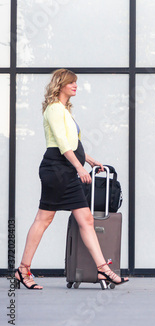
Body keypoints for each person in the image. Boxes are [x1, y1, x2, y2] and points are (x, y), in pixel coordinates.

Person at [14, 69, 129, 290]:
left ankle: (103, 268)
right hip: (57, 170)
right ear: (61, 85)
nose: (76, 86)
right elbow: (62, 144)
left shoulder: (65, 110)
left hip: (66, 169)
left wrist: (90, 160)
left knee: (86, 219)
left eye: (76, 82)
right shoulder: (55, 109)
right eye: (72, 82)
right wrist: (80, 168)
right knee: (44, 220)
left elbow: (72, 143)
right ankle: (23, 270)